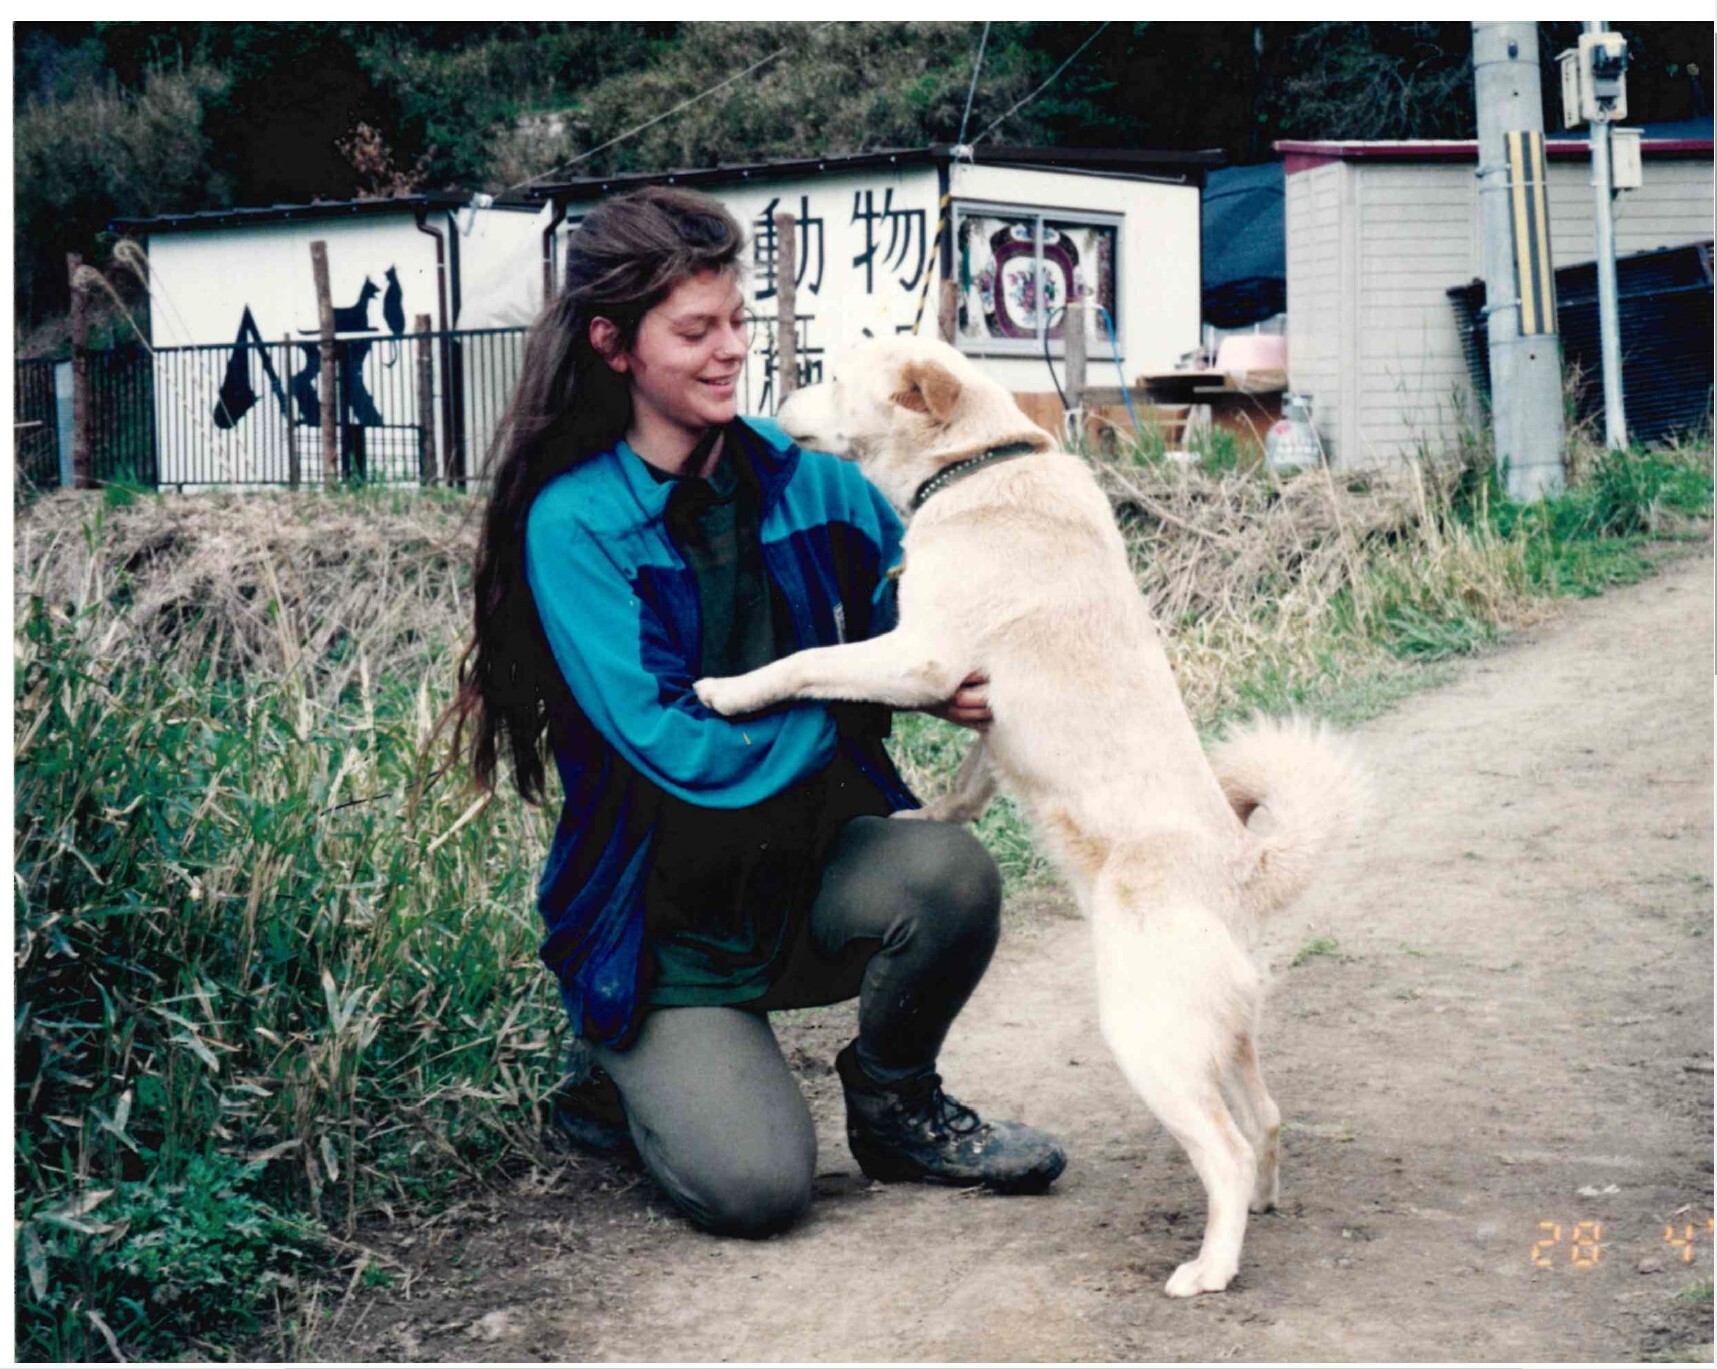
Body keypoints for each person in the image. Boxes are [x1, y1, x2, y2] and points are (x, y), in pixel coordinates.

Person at [449, 186, 1064, 1239]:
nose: (731, 349)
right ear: (613, 345)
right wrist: (855, 691)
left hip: (806, 879)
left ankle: (895, 1104)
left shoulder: (812, 485)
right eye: (695, 330)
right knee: (758, 1189)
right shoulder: (578, 523)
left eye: (736, 320)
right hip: (662, 923)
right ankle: (616, 1064)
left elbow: (918, 612)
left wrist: (992, 649)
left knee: (950, 873)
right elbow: (677, 745)